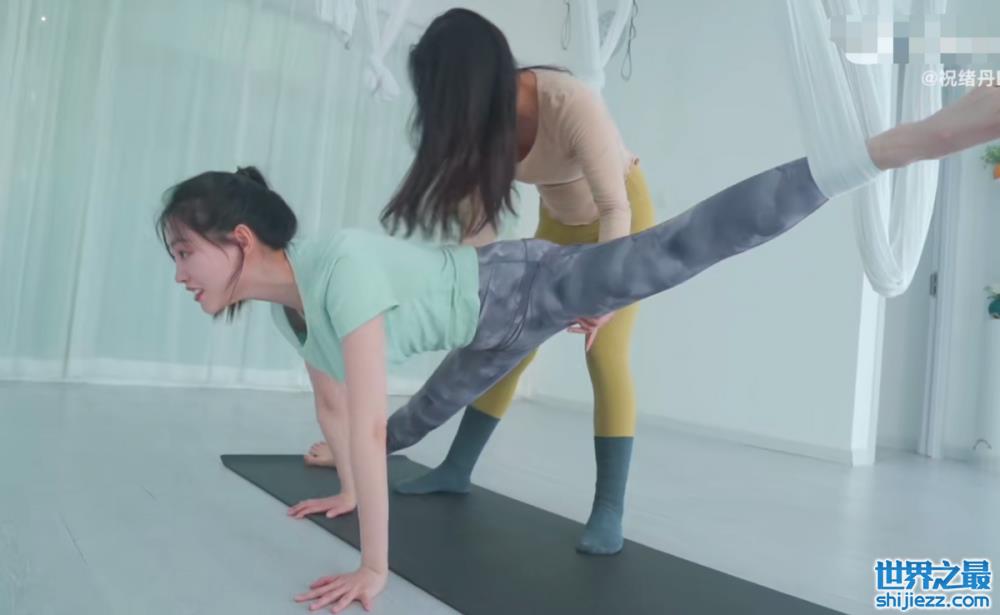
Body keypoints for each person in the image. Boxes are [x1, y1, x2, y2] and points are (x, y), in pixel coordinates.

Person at [159, 78, 1000, 611]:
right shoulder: (293, 305)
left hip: (521, 286)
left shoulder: (336, 268)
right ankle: (437, 467)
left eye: (185, 252)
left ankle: (879, 151)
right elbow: (337, 402)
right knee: (412, 424)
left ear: (239, 239)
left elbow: (362, 421)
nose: (180, 273)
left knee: (674, 250)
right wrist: (347, 487)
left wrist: (373, 568)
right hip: (484, 338)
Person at [302, 8, 658, 557]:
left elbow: (614, 207)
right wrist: (470, 305)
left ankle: (609, 508)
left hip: (621, 219)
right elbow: (480, 237)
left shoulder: (568, 102)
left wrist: (605, 295)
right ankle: (457, 467)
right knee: (506, 348)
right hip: (558, 225)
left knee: (604, 355)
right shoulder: (481, 129)